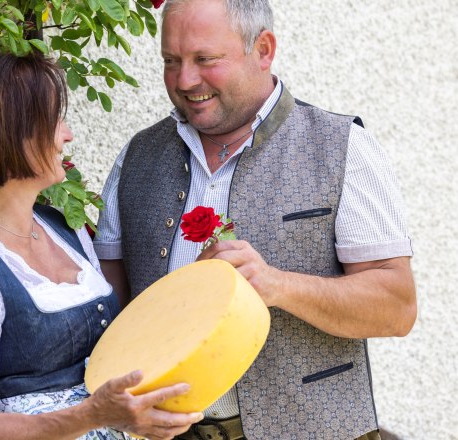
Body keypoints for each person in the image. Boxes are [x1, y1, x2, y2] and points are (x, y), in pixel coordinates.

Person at [93, 1, 417, 439]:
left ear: (263, 49)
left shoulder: (342, 148)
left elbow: (397, 307)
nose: (185, 80)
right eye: (171, 61)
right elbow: (107, 311)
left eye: (205, 59)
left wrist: (280, 285)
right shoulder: (136, 157)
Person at [0, 51, 203, 440]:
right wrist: (89, 416)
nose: (67, 134)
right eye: (55, 121)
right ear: (12, 133)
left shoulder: (63, 229)